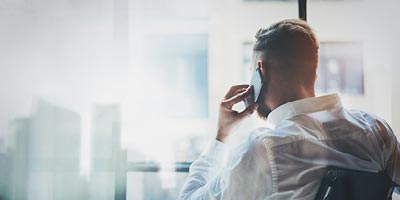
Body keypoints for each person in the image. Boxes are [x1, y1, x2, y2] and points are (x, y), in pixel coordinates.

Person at [178, 19, 400, 199]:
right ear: (313, 73)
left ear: (260, 71)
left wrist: (221, 137)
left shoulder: (264, 150)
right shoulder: (376, 130)